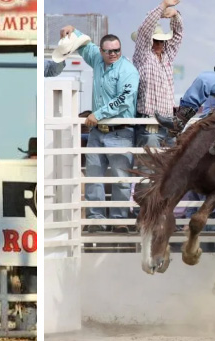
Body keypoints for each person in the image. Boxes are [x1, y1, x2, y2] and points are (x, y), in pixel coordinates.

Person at [59, 26, 140, 234]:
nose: (113, 54)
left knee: (120, 179)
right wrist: (72, 31)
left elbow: (124, 100)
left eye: (117, 50)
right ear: (102, 51)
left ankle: (120, 220)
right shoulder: (96, 58)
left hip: (120, 131)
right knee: (94, 176)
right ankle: (96, 219)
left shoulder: (128, 70)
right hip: (99, 132)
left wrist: (97, 114)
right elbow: (85, 44)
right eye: (109, 51)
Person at [132, 0, 183, 149]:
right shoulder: (143, 55)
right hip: (149, 123)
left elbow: (178, 35)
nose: (160, 44)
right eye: (156, 40)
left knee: (172, 167)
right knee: (149, 167)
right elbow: (145, 31)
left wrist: (175, 16)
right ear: (150, 41)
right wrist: (163, 6)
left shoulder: (167, 56)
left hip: (168, 122)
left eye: (162, 41)